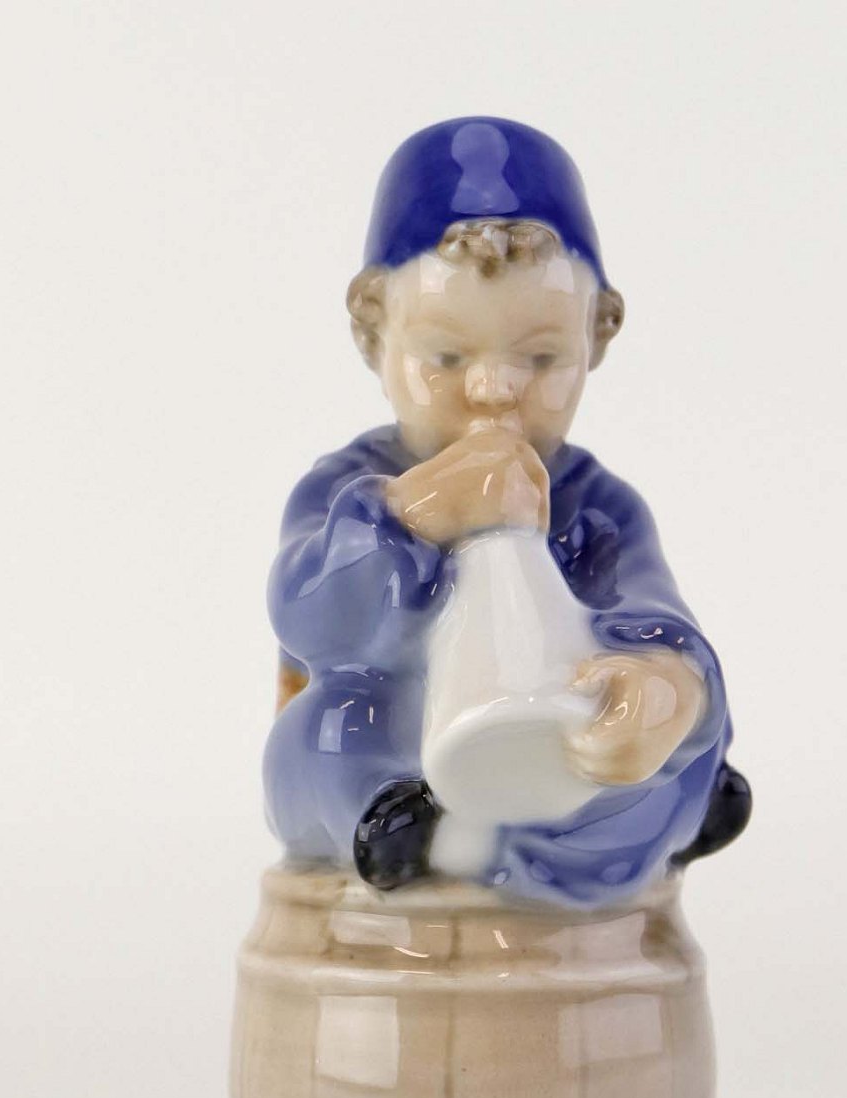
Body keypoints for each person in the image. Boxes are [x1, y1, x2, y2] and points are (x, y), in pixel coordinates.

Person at [263, 117, 750, 907]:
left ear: (597, 338)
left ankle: (508, 836)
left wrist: (666, 690)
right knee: (323, 739)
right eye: (446, 357)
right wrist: (416, 512)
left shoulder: (597, 506)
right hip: (399, 748)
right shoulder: (350, 486)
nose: (494, 388)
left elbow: (651, 607)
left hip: (553, 742)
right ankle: (426, 832)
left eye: (541, 357)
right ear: (374, 335)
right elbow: (308, 616)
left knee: (665, 749)